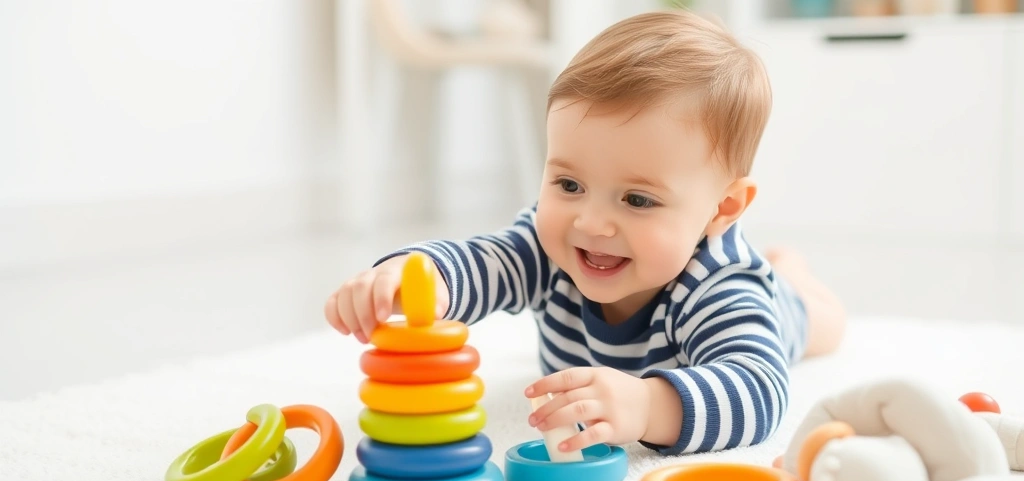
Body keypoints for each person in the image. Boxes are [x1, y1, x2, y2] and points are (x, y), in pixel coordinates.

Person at [324, 10, 846, 457]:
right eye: (569, 183)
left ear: (722, 208)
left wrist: (648, 405)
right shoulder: (551, 242)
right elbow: (487, 261)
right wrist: (417, 278)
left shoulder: (720, 285)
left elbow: (759, 389)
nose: (591, 223)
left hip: (776, 311)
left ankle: (791, 275)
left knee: (813, 320)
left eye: (637, 199)